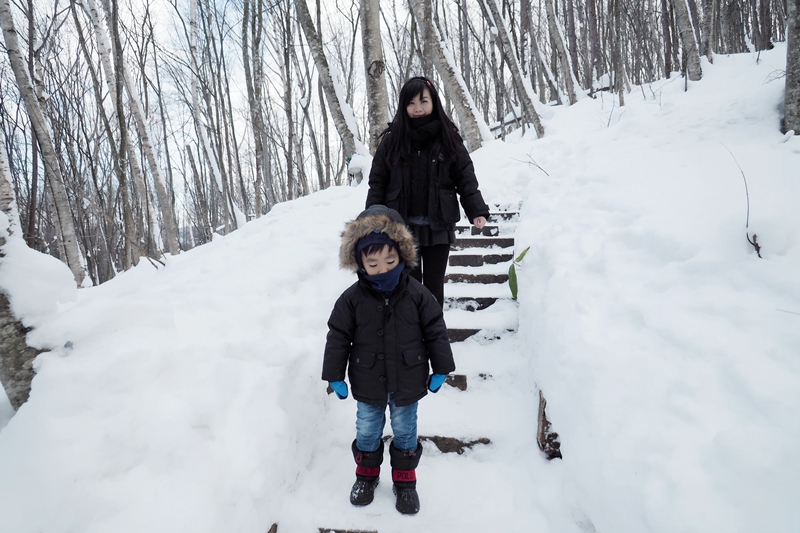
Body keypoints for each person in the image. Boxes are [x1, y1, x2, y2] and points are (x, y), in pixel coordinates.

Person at [322, 204, 455, 515]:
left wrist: (442, 367)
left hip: (408, 379)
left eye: (390, 260)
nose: (383, 269)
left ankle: (405, 481)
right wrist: (335, 375)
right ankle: (366, 477)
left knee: (405, 430)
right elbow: (338, 336)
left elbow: (435, 329)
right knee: (367, 430)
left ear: (403, 256)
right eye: (374, 263)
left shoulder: (418, 294)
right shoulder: (351, 300)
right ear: (360, 264)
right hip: (368, 380)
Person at [365, 76, 491, 307]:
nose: (418, 108)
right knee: (406, 288)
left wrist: (476, 210)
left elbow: (465, 177)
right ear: (404, 106)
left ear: (433, 102)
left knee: (433, 288)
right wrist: (371, 220)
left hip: (438, 226)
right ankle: (412, 339)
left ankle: (434, 338)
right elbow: (378, 183)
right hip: (400, 228)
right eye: (411, 103)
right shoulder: (392, 142)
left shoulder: (448, 139)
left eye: (423, 101)